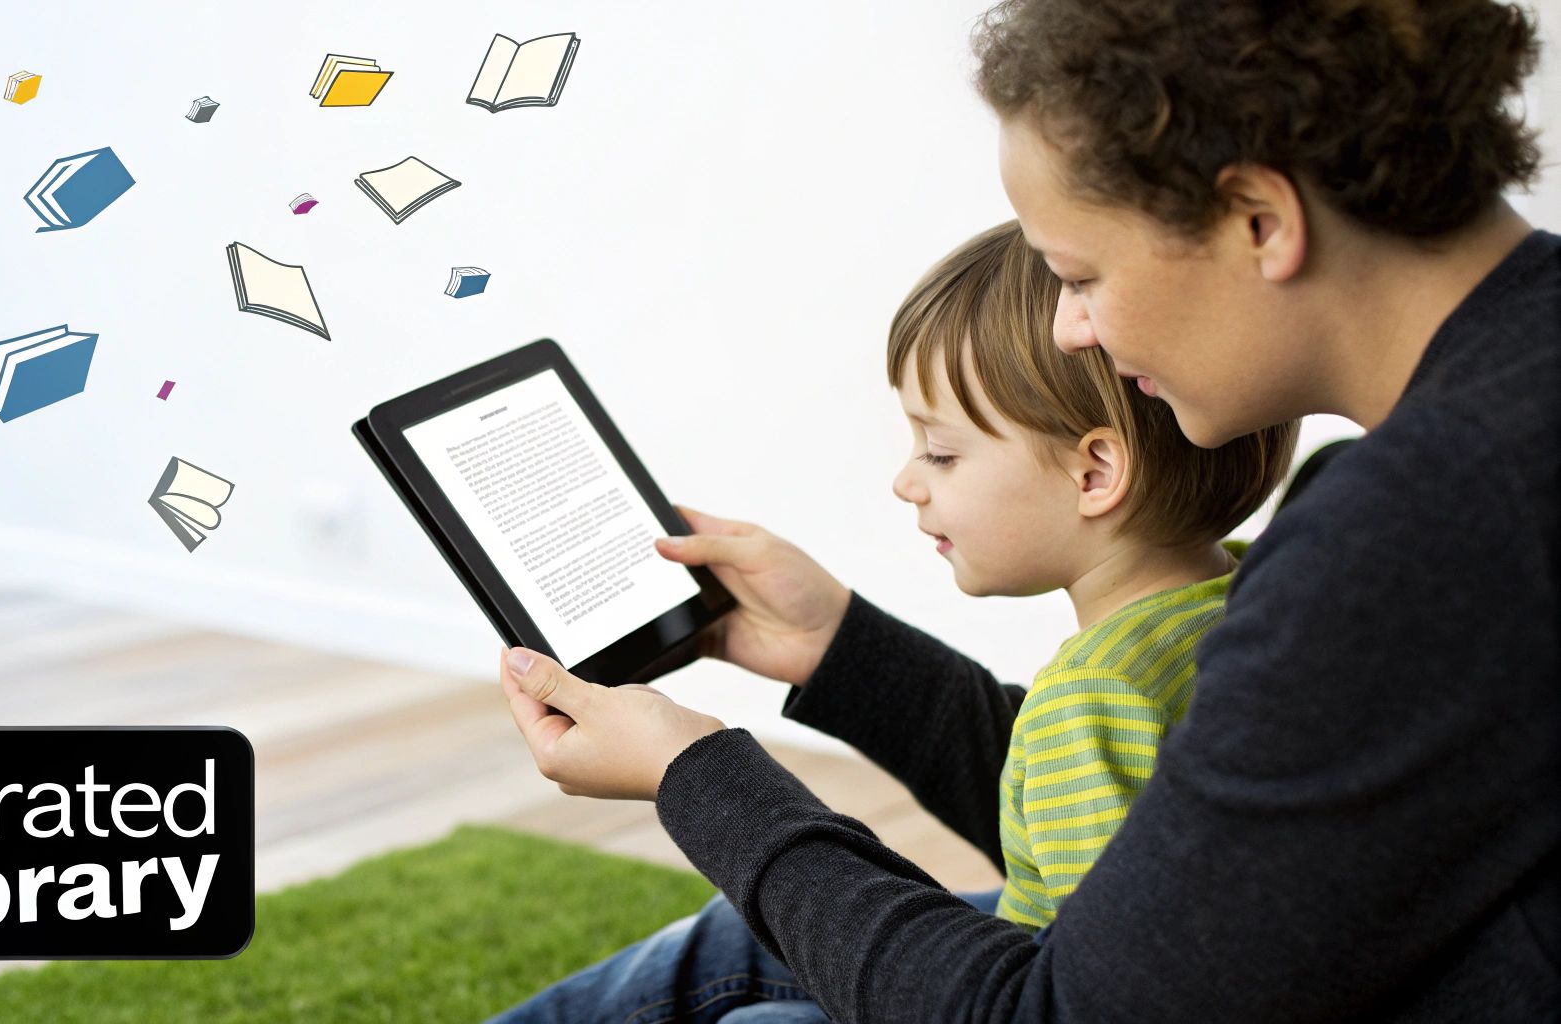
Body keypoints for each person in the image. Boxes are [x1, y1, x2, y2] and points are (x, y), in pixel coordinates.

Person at [490, 0, 1561, 1019]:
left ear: (1257, 218)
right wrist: (841, 652)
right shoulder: (1497, 412)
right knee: (744, 945)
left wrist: (696, 777)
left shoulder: (1431, 518)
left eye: (1076, 273)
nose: (1067, 331)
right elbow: (1194, 855)